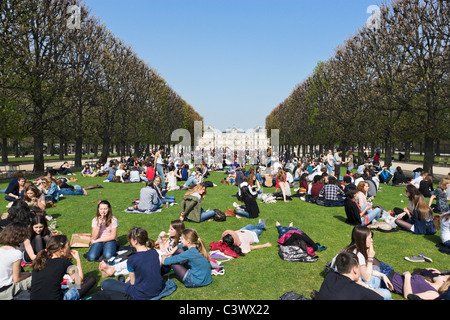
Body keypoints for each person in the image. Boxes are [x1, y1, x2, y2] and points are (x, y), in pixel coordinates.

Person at [100, 227, 165, 300]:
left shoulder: (132, 260)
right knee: (127, 283)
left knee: (105, 283)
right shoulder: (154, 252)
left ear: (135, 241)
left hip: (142, 294)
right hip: (157, 289)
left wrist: (130, 280)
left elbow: (133, 283)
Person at [30, 235, 96, 300]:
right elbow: (79, 281)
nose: (69, 247)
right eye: (68, 245)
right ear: (61, 249)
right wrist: (78, 259)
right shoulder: (64, 263)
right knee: (91, 280)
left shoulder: (39, 261)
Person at [338, 226, 393, 299]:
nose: (372, 240)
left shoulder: (347, 249)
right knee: (387, 294)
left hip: (352, 284)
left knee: (376, 273)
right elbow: (366, 278)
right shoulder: (358, 256)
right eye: (370, 238)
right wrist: (370, 257)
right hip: (354, 289)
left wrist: (383, 275)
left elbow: (364, 272)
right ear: (362, 240)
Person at [315, 251, 383, 300]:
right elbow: (380, 298)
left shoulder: (330, 277)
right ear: (354, 269)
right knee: (386, 294)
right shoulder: (358, 290)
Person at [0, 222, 32, 300]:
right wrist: (29, 274)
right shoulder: (16, 253)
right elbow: (16, 279)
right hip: (5, 290)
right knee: (37, 277)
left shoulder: (1, 250)